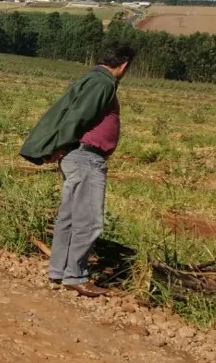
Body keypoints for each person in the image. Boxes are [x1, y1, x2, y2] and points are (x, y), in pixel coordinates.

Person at [20, 42, 136, 298]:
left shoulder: (93, 78)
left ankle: (59, 271)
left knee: (70, 218)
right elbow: (77, 117)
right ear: (124, 65)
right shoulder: (103, 83)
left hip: (79, 156)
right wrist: (58, 146)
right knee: (89, 221)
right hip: (87, 158)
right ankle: (76, 275)